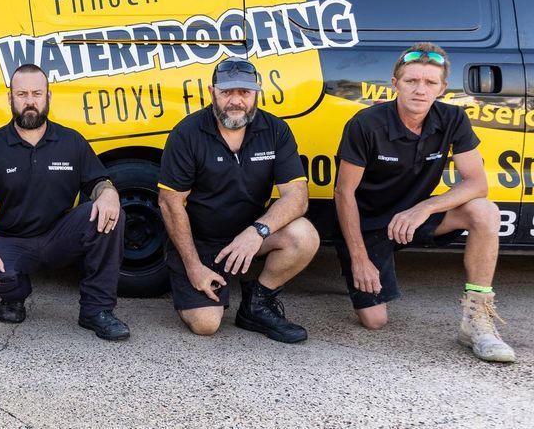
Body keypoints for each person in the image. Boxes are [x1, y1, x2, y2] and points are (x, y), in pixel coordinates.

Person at [334, 43, 515, 362]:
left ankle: (477, 321)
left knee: (484, 211)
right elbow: (343, 193)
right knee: (375, 321)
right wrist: (359, 258)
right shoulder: (366, 124)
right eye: (411, 81)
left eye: (430, 83)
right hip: (369, 226)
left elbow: (478, 183)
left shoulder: (453, 117)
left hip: (413, 218)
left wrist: (424, 208)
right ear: (394, 83)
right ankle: (356, 267)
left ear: (442, 87)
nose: (420, 90)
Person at [0, 64, 130, 340]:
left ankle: (96, 311)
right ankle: (15, 295)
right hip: (11, 239)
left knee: (113, 215)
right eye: (22, 94)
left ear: (49, 97)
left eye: (37, 93)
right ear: (10, 99)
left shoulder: (71, 141)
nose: (30, 101)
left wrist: (109, 192)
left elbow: (97, 181)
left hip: (60, 235)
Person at [157, 57, 318, 343]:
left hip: (251, 236)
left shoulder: (276, 130)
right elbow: (170, 204)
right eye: (227, 92)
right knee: (206, 324)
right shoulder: (187, 133)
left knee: (304, 234)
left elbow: (297, 197)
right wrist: (193, 266)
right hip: (201, 242)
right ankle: (195, 280)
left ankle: (257, 303)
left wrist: (258, 231)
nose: (236, 101)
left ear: (257, 93)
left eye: (244, 92)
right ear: (211, 92)